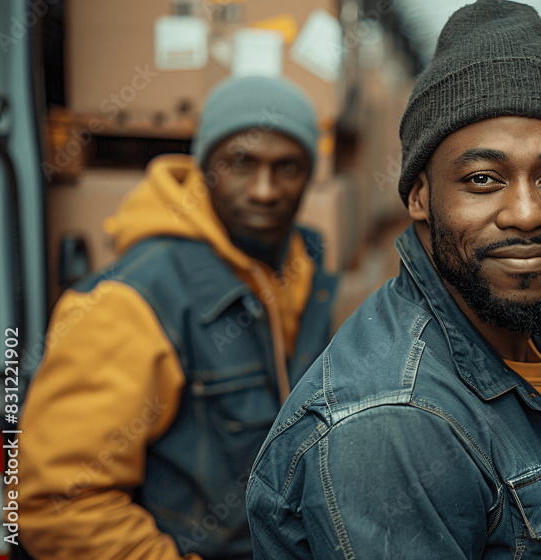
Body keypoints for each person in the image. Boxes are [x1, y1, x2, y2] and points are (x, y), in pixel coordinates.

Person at [245, 2, 541, 558]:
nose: (526, 213)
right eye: (483, 179)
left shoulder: (536, 335)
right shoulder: (395, 424)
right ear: (419, 196)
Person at [18, 76, 341, 559]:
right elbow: (59, 503)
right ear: (204, 168)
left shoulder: (303, 274)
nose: (265, 189)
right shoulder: (128, 302)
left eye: (288, 167)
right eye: (241, 163)